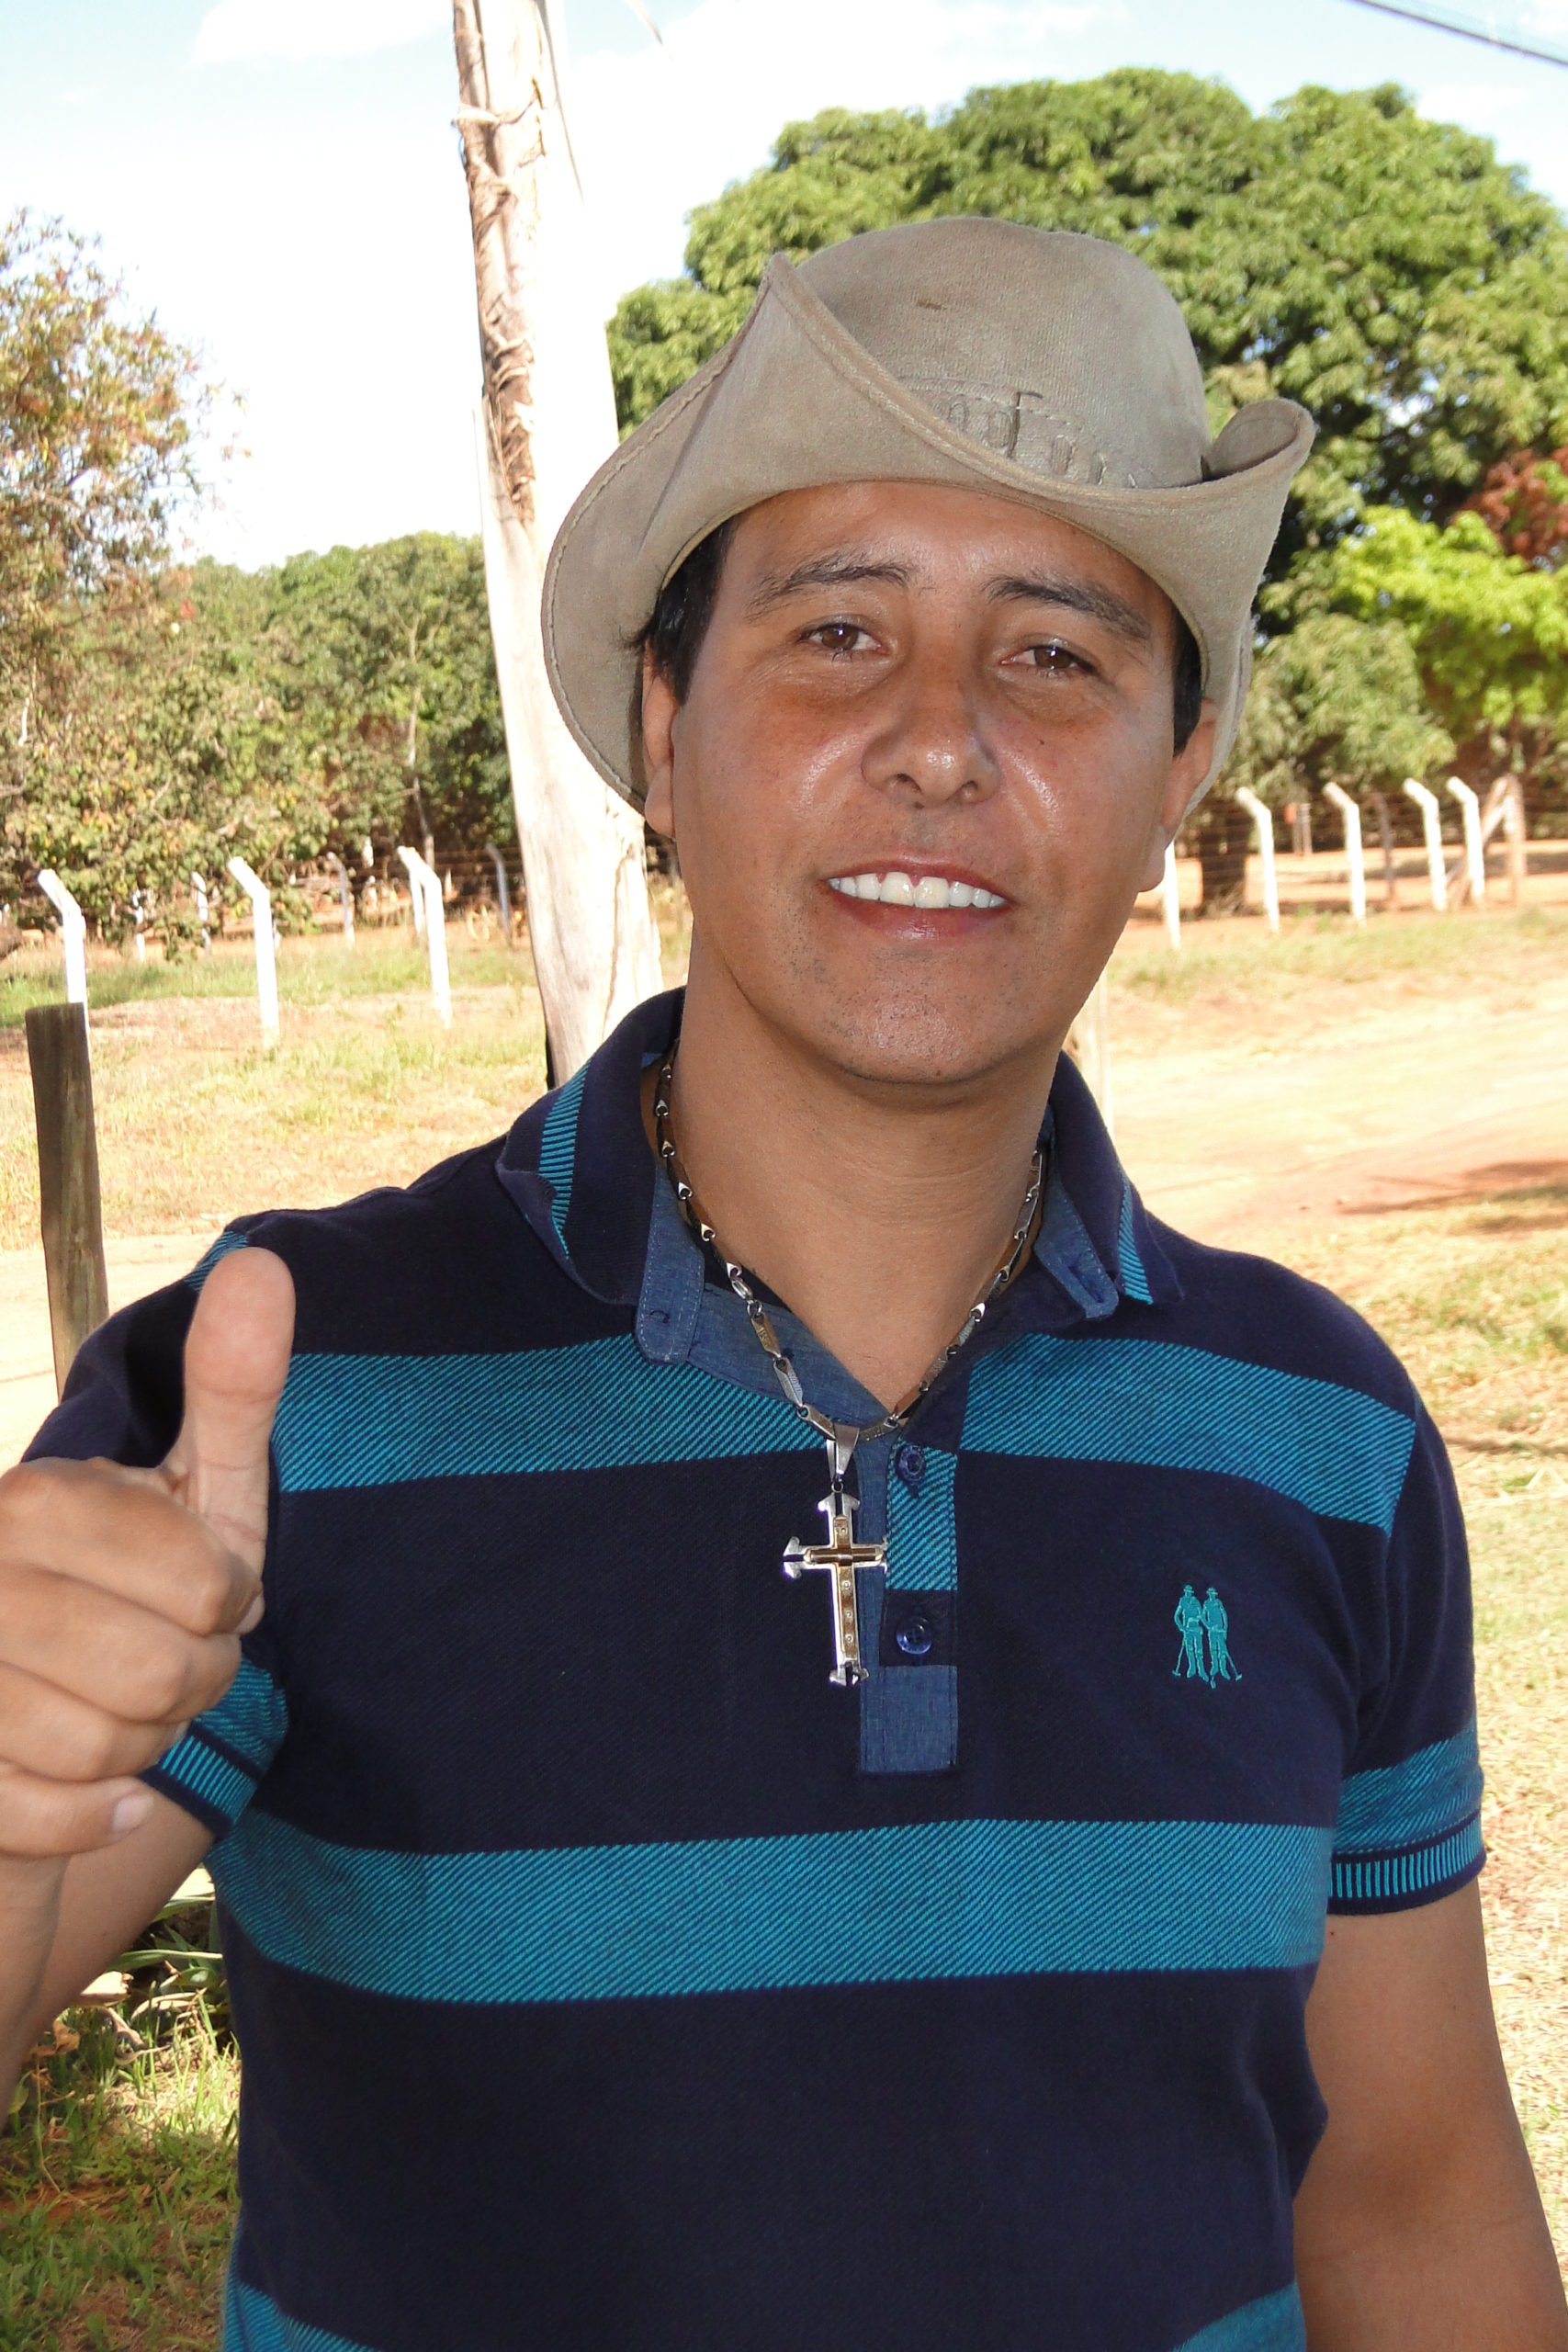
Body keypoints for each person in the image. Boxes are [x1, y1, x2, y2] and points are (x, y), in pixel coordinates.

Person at [0, 220, 1562, 2352]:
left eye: (1054, 655)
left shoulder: (1321, 1438)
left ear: (1178, 770)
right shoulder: (279, 1386)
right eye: (835, 631)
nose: (936, 740)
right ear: (662, 731)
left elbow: (1407, 2200)